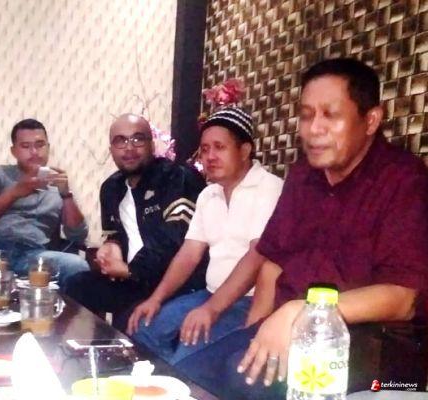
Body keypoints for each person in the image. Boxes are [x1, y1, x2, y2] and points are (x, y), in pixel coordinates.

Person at [173, 58, 428, 399]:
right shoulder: (303, 176)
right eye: (306, 115)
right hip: (291, 329)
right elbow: (273, 263)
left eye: (330, 115)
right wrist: (254, 332)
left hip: (368, 348)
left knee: (236, 381)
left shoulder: (404, 179)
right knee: (188, 377)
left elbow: (403, 299)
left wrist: (305, 312)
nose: (313, 129)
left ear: (370, 120)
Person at [127, 107, 283, 365]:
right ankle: (166, 380)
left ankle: (180, 376)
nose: (210, 156)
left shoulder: (269, 188)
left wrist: (211, 309)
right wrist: (155, 299)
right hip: (209, 293)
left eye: (219, 147)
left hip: (249, 301)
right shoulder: (208, 195)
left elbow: (257, 255)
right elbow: (189, 254)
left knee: (188, 353)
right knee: (143, 329)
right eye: (205, 149)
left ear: (245, 150)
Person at [64, 113, 207, 317]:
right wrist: (112, 247)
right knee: (75, 286)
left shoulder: (178, 177)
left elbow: (174, 239)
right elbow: (115, 233)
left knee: (132, 319)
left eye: (138, 139)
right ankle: (89, 338)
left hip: (174, 283)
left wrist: (131, 270)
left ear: (152, 145)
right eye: (120, 141)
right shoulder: (111, 188)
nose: (129, 148)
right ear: (111, 150)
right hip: (132, 280)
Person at [0, 118, 88, 289]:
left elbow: (77, 235)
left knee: (77, 265)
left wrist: (66, 194)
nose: (34, 152)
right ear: (14, 151)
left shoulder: (58, 182)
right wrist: (14, 192)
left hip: (34, 254)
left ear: (48, 147)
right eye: (25, 146)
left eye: (40, 145)